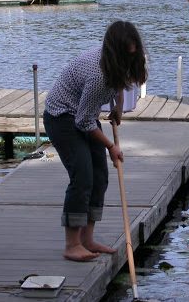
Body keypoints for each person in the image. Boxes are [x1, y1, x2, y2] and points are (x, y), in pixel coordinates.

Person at [43, 21, 148, 262]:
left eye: (134, 54)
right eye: (127, 56)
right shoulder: (99, 75)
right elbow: (82, 122)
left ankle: (87, 239)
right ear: (115, 52)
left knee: (99, 176)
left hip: (82, 115)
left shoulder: (115, 65)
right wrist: (111, 146)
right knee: (82, 176)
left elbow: (118, 83)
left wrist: (119, 106)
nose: (131, 61)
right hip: (62, 118)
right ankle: (72, 244)